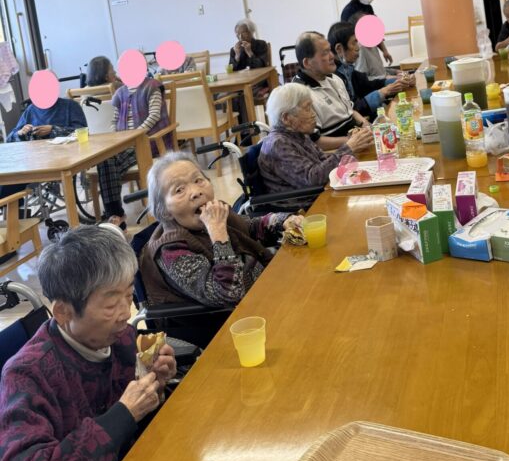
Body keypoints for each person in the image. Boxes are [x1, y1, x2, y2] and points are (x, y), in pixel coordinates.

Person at [0, 227, 175, 461]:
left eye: (129, 295)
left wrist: (156, 385)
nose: (125, 312)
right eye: (110, 303)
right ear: (63, 312)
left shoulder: (120, 337)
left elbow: (135, 421)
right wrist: (124, 414)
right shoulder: (27, 374)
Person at [140, 152, 300, 309]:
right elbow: (228, 293)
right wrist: (217, 232)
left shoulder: (216, 212)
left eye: (198, 180)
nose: (196, 192)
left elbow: (252, 227)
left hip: (267, 290)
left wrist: (283, 221)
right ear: (164, 211)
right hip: (230, 323)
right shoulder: (171, 250)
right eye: (179, 190)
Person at [259, 83, 372, 192]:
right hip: (304, 206)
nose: (314, 114)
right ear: (286, 118)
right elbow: (312, 179)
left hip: (322, 192)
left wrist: (352, 148)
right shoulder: (278, 144)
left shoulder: (298, 134)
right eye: (308, 108)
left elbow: (322, 160)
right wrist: (348, 148)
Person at [96, 64, 171, 227]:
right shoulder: (120, 93)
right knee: (105, 159)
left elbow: (154, 115)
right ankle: (116, 214)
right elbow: (114, 120)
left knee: (108, 163)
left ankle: (114, 216)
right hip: (124, 143)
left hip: (146, 140)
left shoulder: (152, 86)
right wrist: (116, 137)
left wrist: (135, 135)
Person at [294, 31, 373, 147]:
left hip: (356, 140)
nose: (332, 56)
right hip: (338, 152)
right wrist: (351, 142)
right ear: (307, 63)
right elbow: (315, 142)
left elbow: (350, 111)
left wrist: (366, 125)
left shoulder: (334, 78)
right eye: (325, 53)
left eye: (330, 50)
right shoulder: (300, 94)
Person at [327, 21, 407, 119]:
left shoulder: (348, 68)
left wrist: (397, 80)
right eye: (354, 42)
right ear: (339, 48)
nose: (358, 47)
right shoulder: (334, 76)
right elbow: (352, 109)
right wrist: (383, 92)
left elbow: (367, 84)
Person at [340, 0, 393, 67]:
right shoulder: (348, 12)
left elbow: (375, 33)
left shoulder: (368, 8)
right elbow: (347, 40)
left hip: (371, 53)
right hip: (359, 57)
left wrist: (385, 51)